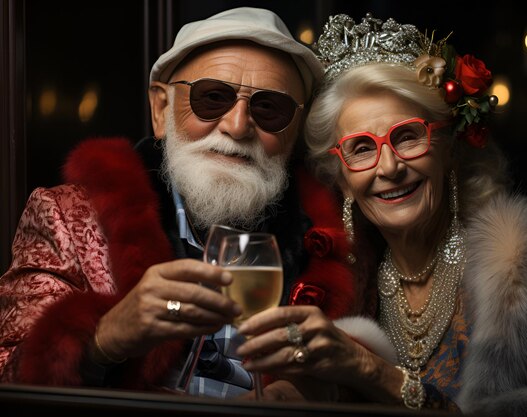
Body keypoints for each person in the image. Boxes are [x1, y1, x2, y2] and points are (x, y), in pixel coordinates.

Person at [233, 12, 527, 416]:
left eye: (408, 137)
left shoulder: (521, 275)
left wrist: (373, 372)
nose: (389, 168)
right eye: (362, 148)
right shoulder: (337, 278)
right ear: (341, 178)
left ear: (450, 150)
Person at [0, 7, 357, 398]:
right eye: (212, 98)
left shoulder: (334, 241)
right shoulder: (66, 218)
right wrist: (104, 339)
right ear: (161, 109)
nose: (237, 127)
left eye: (269, 108)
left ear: (294, 132)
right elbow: (10, 372)